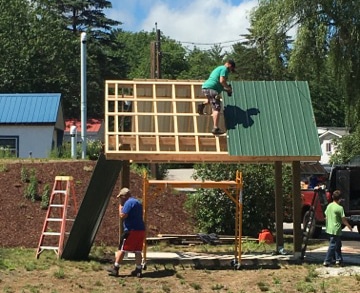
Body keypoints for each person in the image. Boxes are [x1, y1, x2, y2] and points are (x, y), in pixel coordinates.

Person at [107, 187, 146, 277]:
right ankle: (138, 270)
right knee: (137, 250)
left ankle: (115, 268)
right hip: (140, 230)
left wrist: (120, 207)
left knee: (122, 249)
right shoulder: (138, 202)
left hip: (131, 230)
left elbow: (122, 215)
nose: (121, 199)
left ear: (125, 196)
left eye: (121, 197)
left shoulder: (128, 203)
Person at [198, 59, 236, 135]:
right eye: (231, 69)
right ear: (229, 65)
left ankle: (202, 105)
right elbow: (222, 81)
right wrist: (228, 87)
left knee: (211, 101)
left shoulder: (219, 68)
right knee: (216, 108)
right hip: (212, 89)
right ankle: (215, 128)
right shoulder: (224, 69)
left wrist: (227, 90)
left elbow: (220, 86)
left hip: (206, 87)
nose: (230, 71)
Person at [323, 190, 353, 266]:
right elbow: (343, 220)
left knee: (338, 244)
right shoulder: (340, 208)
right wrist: (349, 226)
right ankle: (327, 260)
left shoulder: (329, 206)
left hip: (329, 228)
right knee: (333, 245)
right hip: (336, 229)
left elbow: (326, 217)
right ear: (340, 199)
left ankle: (338, 260)